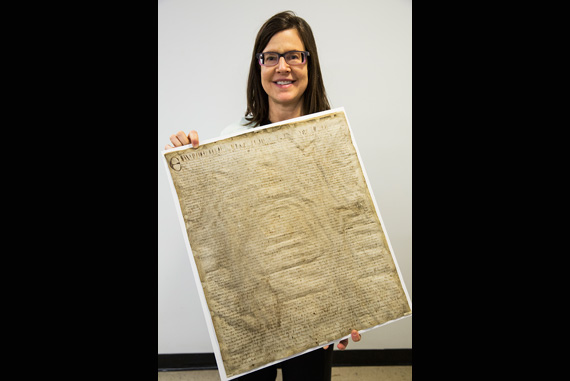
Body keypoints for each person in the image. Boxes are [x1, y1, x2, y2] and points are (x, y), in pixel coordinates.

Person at [164, 11, 362, 380]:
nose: (282, 67)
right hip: (252, 307)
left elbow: (348, 224)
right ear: (259, 66)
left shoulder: (332, 137)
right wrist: (189, 163)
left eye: (293, 56)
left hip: (314, 305)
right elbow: (219, 229)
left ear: (309, 63)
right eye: (271, 57)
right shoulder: (231, 139)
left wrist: (351, 303)